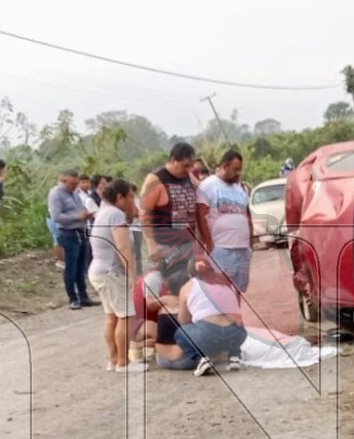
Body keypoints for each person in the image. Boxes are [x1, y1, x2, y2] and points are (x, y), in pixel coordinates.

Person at [158, 257, 247, 377]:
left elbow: (184, 321)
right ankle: (234, 356)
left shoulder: (188, 286)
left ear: (190, 273)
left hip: (209, 333)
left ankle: (201, 359)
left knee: (181, 333)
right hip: (237, 333)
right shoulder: (226, 283)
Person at [89, 179, 141, 372]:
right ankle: (123, 362)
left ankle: (113, 360)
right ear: (120, 197)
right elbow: (123, 247)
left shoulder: (103, 212)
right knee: (125, 317)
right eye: (130, 197)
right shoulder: (116, 215)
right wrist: (132, 275)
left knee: (111, 316)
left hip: (99, 269)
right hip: (112, 273)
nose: (132, 201)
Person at [141, 142, 206, 293]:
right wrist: (152, 246)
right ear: (173, 160)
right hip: (167, 247)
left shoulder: (188, 177)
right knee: (178, 287)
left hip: (188, 245)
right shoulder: (156, 179)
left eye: (191, 166)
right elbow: (144, 215)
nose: (189, 170)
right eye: (185, 165)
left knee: (193, 287)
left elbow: (204, 193)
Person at [197, 149, 254, 293]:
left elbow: (247, 214)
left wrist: (250, 242)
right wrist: (208, 242)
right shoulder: (208, 185)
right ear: (225, 166)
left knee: (238, 291)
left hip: (242, 250)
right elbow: (200, 215)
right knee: (221, 292)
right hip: (221, 250)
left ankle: (235, 316)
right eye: (235, 169)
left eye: (240, 170)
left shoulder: (239, 188)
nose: (238, 173)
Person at [49, 170, 94, 308]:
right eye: (72, 183)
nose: (75, 186)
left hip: (80, 231)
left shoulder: (74, 193)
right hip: (68, 233)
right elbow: (56, 217)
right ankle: (73, 299)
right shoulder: (56, 194)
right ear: (63, 181)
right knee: (71, 267)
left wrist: (86, 214)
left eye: (76, 183)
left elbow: (79, 208)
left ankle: (83, 296)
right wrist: (76, 217)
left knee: (82, 266)